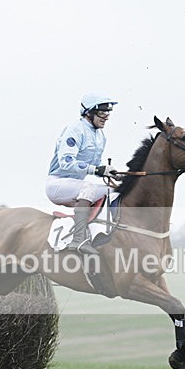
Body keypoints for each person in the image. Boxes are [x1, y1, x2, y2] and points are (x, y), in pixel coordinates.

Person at [46, 92, 120, 255]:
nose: (106, 117)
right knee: (89, 187)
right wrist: (96, 170)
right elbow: (66, 162)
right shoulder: (74, 130)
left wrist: (109, 172)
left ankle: (110, 233)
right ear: (89, 112)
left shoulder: (100, 136)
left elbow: (95, 166)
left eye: (108, 113)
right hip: (57, 184)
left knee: (115, 191)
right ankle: (78, 239)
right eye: (102, 112)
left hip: (76, 187)